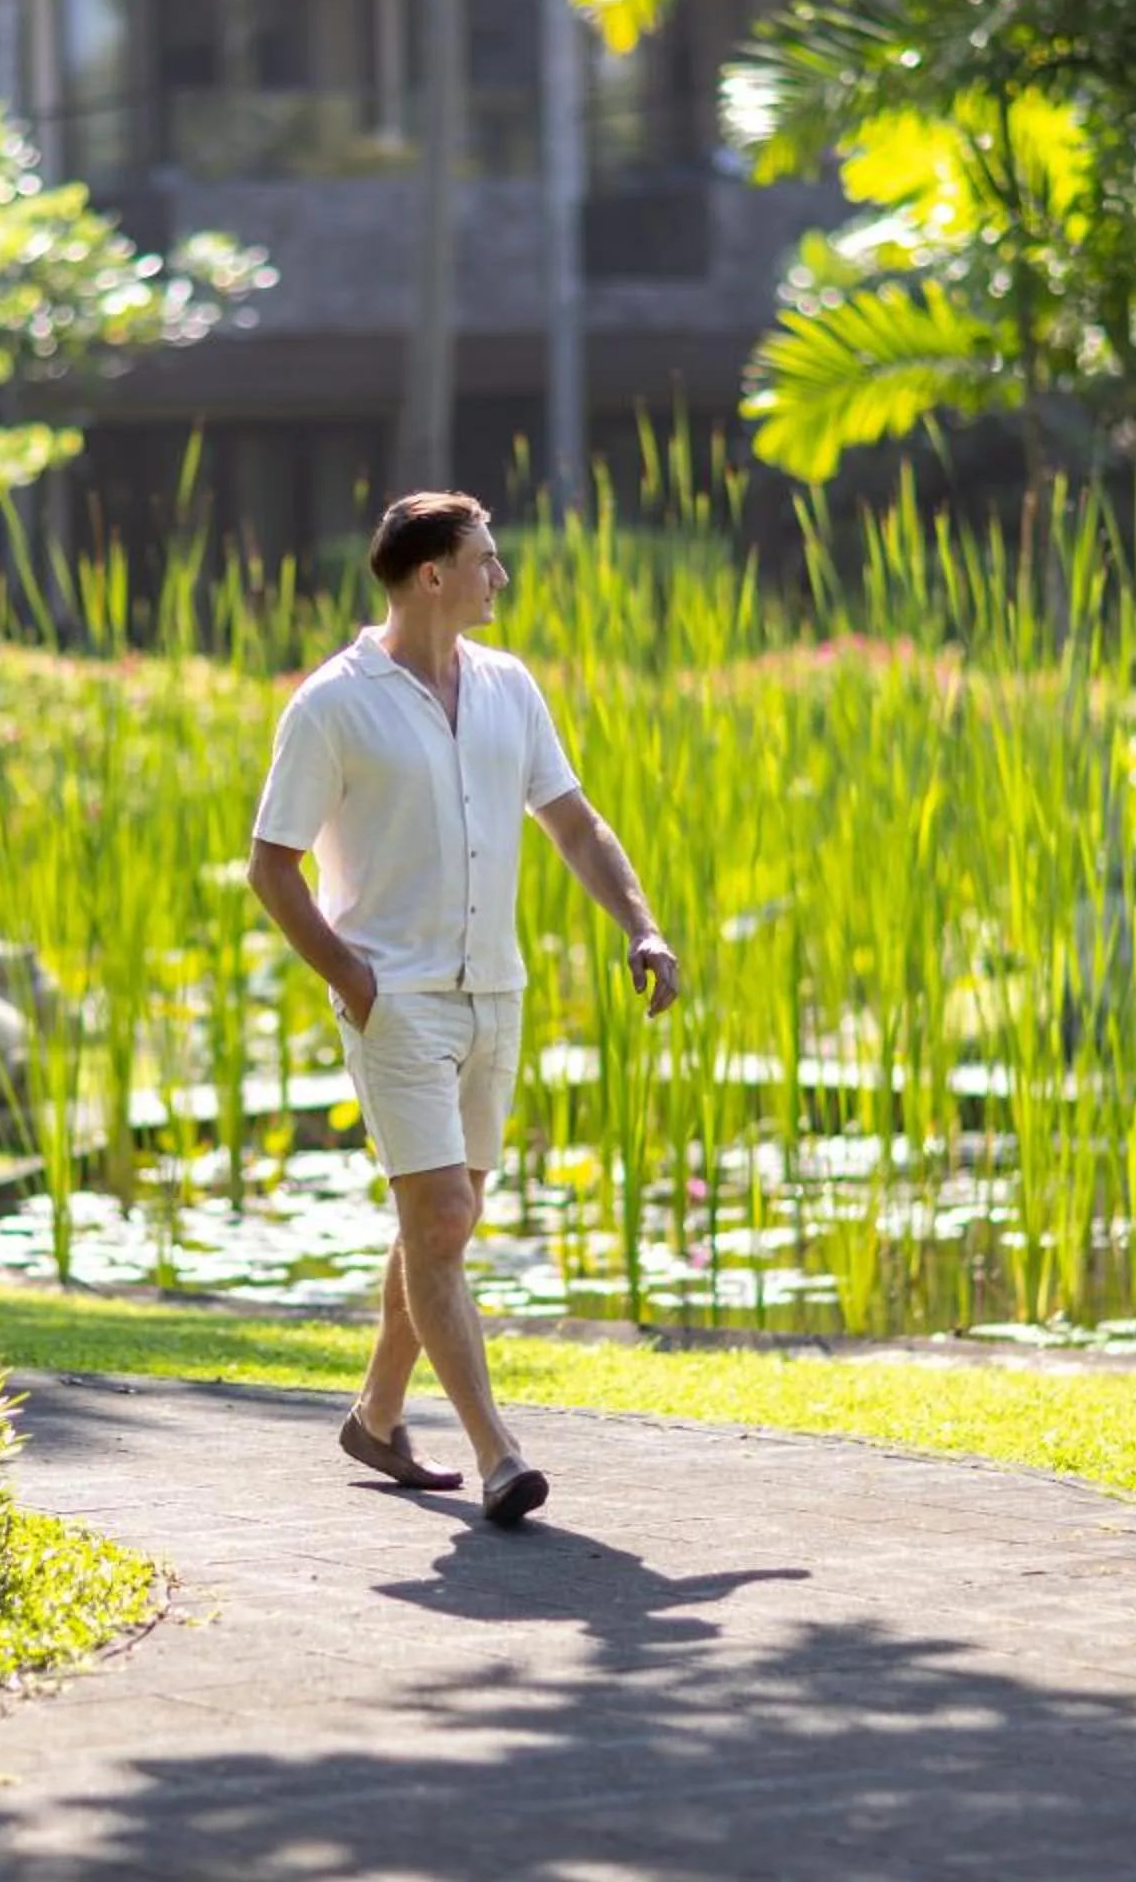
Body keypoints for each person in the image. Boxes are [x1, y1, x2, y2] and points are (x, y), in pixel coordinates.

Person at [247, 491, 681, 1526]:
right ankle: (500, 1455)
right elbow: (273, 866)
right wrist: (352, 977)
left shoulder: (508, 686)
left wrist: (642, 924)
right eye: (488, 559)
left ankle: (378, 1413)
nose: (503, 577)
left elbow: (573, 821)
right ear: (431, 574)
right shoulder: (330, 702)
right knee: (440, 1217)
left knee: (444, 1222)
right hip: (398, 1003)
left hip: (498, 989)